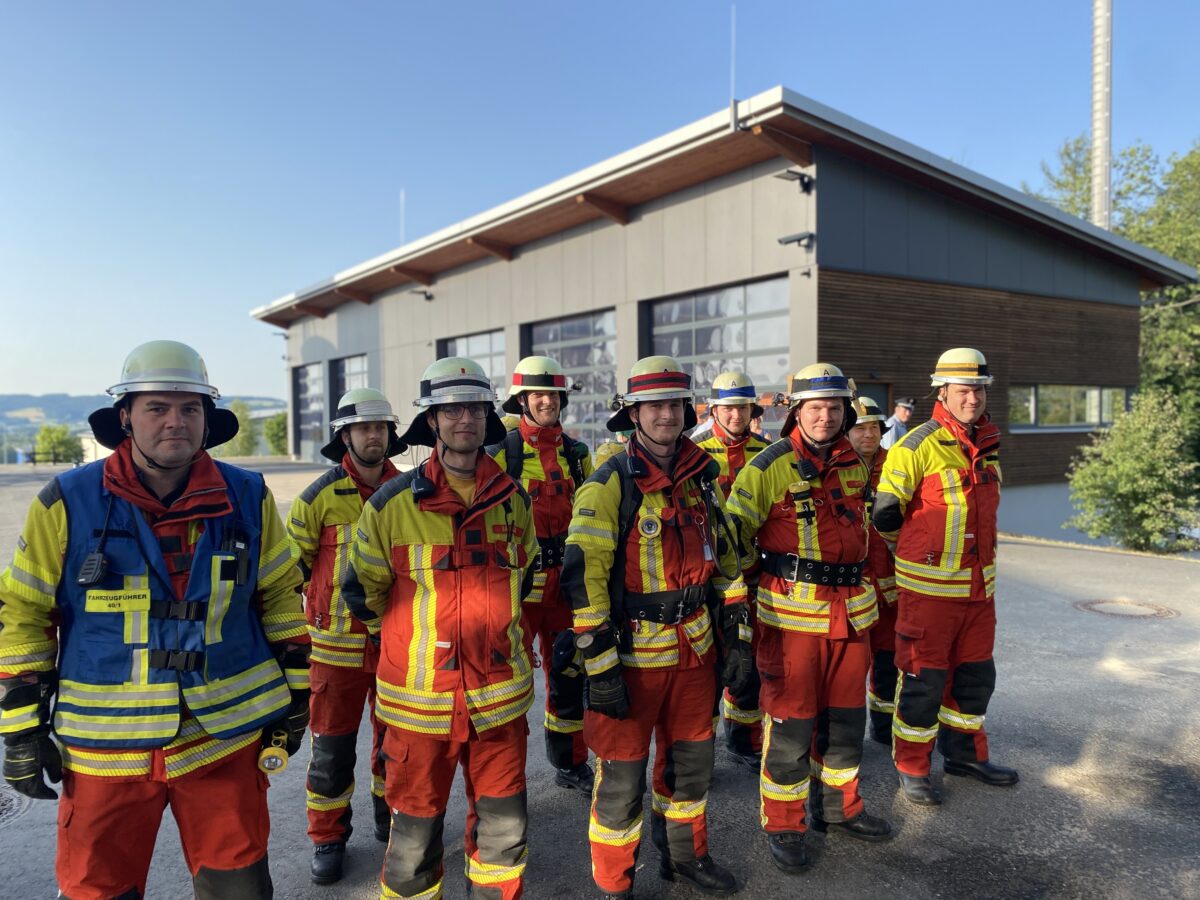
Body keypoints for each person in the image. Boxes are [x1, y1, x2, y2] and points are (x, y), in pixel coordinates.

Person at [0, 340, 309, 899]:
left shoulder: (248, 496)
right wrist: (20, 726)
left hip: (224, 739)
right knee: (99, 889)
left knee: (238, 888)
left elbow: (282, 596)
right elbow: (24, 614)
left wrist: (299, 693)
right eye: (157, 408)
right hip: (104, 750)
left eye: (190, 408)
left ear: (207, 419)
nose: (175, 422)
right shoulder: (67, 501)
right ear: (125, 418)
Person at [343, 357, 538, 900]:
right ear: (431, 422)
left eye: (473, 408)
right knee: (413, 842)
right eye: (450, 409)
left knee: (502, 837)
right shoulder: (390, 505)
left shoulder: (513, 500)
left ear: (486, 417)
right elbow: (360, 589)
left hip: (498, 701)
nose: (463, 420)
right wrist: (407, 640)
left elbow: (522, 581)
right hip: (418, 703)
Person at [562, 355, 750, 900]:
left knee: (691, 771)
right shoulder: (607, 485)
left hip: (694, 656)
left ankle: (685, 858)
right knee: (620, 784)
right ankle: (615, 884)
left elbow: (728, 564)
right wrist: (599, 671)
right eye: (654, 406)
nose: (666, 415)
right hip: (631, 661)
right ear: (633, 414)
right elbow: (585, 586)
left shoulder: (702, 481)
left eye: (673, 404)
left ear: (687, 410)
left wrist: (736, 635)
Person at [727, 363, 893, 876]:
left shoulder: (853, 462)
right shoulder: (766, 467)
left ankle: (840, 808)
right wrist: (738, 613)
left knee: (845, 724)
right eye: (815, 407)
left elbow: (863, 535)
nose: (826, 416)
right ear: (797, 411)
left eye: (835, 407)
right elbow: (732, 544)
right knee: (793, 730)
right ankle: (784, 823)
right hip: (792, 623)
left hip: (850, 618)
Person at [873, 348, 1019, 807]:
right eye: (963, 390)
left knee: (975, 678)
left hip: (980, 594)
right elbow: (885, 515)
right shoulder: (914, 445)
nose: (972, 398)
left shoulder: (990, 444)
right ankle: (912, 766)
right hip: (930, 594)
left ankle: (964, 756)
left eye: (978, 389)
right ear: (943, 392)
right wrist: (918, 555)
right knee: (923, 681)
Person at [288, 388, 405, 884]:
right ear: (345, 435)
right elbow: (285, 574)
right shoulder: (317, 498)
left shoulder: (410, 490)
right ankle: (328, 837)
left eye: (380, 427)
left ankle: (391, 822)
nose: (373, 435)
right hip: (334, 653)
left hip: (396, 646)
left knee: (395, 744)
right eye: (364, 428)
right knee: (331, 752)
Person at [488, 356, 595, 792]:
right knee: (507, 680)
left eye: (552, 395)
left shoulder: (577, 453)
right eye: (538, 395)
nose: (547, 401)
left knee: (569, 672)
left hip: (566, 583)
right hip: (521, 586)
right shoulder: (501, 453)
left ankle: (570, 763)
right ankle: (503, 778)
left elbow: (591, 514)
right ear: (522, 402)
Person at [695, 371, 771, 769]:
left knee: (748, 658)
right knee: (705, 666)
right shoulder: (694, 451)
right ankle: (700, 750)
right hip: (707, 576)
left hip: (753, 573)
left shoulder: (767, 451)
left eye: (742, 407)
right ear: (714, 410)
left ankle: (744, 740)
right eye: (728, 407)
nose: (736, 414)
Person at [845, 396, 899, 744]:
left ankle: (883, 729)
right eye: (861, 428)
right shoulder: (834, 467)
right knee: (850, 665)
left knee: (889, 661)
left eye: (875, 427)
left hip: (891, 589)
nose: (869, 434)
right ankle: (845, 737)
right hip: (850, 589)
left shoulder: (896, 465)